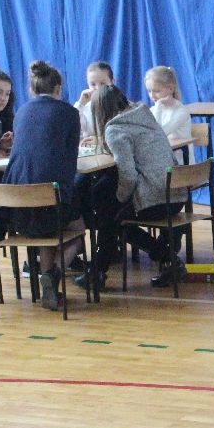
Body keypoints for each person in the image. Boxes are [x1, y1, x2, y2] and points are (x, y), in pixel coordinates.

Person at [84, 84, 186, 289]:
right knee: (109, 208)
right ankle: (98, 272)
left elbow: (129, 177)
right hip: (175, 195)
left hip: (155, 199)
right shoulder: (144, 116)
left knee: (111, 218)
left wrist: (120, 198)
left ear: (100, 111)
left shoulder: (115, 129)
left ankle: (99, 272)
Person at [2, 61, 85, 310]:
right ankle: (53, 274)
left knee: (45, 231)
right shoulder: (69, 113)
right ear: (58, 88)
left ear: (32, 89)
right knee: (78, 230)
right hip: (51, 196)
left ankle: (50, 287)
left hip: (13, 202)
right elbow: (70, 159)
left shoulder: (21, 112)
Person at [144, 65, 192, 141]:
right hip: (162, 148)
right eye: (149, 91)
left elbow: (158, 134)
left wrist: (158, 104)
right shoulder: (153, 110)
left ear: (170, 89)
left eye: (157, 91)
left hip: (180, 149)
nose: (152, 96)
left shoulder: (181, 111)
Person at [74, 61, 114, 141]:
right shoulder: (84, 108)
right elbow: (70, 127)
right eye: (93, 84)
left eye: (102, 83)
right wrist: (80, 104)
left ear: (112, 82)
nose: (98, 88)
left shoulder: (122, 105)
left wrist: (100, 141)